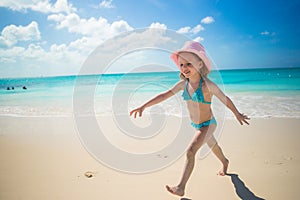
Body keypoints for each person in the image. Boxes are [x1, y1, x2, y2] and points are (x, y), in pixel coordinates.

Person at [130, 41, 250, 197]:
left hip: (208, 124)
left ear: (200, 65)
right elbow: (164, 95)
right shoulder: (183, 84)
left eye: (189, 64)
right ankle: (225, 161)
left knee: (191, 151)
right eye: (181, 65)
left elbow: (224, 99)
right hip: (196, 124)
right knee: (213, 145)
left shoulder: (207, 85)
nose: (184, 67)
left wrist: (237, 113)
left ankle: (180, 187)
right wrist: (144, 106)